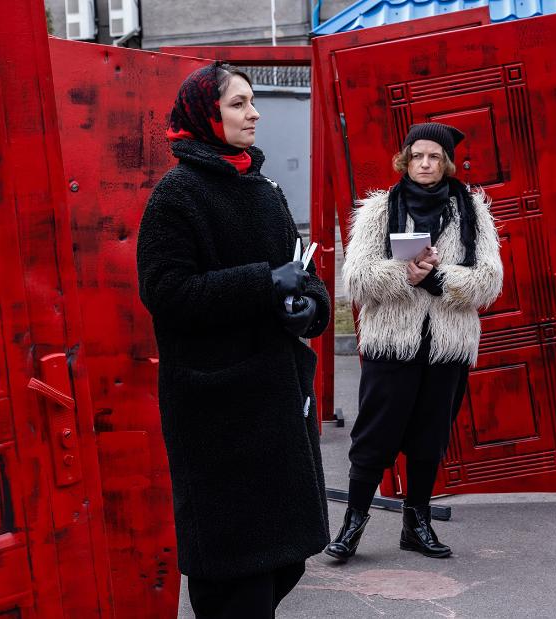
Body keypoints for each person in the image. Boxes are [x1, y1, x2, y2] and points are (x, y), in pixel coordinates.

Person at [136, 62, 331, 618]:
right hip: (218, 414)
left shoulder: (262, 188)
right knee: (234, 580)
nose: (255, 112)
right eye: (239, 103)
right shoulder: (177, 197)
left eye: (251, 101)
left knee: (282, 561)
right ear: (207, 115)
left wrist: (306, 307)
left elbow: (302, 271)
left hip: (276, 405)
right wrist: (263, 284)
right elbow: (166, 292)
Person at [326, 122, 503, 561]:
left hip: (447, 343)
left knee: (429, 437)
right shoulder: (378, 209)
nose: (426, 164)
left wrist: (440, 279)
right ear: (406, 159)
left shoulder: (473, 211)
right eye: (419, 156)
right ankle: (353, 524)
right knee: (374, 436)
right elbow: (357, 280)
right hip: (393, 342)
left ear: (446, 162)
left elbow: (490, 280)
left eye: (435, 157)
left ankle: (416, 523)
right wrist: (403, 275)